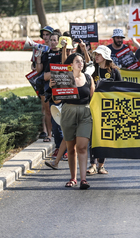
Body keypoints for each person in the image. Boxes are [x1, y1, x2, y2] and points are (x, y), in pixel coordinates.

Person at [48, 53, 95, 189]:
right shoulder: (63, 78)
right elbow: (57, 100)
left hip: (85, 113)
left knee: (81, 146)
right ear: (71, 65)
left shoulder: (88, 78)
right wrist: (54, 88)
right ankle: (73, 178)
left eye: (82, 61)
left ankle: (83, 180)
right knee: (71, 147)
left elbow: (93, 97)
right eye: (77, 61)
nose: (81, 63)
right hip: (68, 111)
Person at [86, 45, 121, 176]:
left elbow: (120, 90)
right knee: (93, 136)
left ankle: (101, 165)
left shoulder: (114, 72)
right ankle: (92, 165)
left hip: (109, 109)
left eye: (99, 55)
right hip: (93, 108)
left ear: (105, 57)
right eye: (95, 54)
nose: (96, 56)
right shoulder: (92, 71)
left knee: (105, 137)